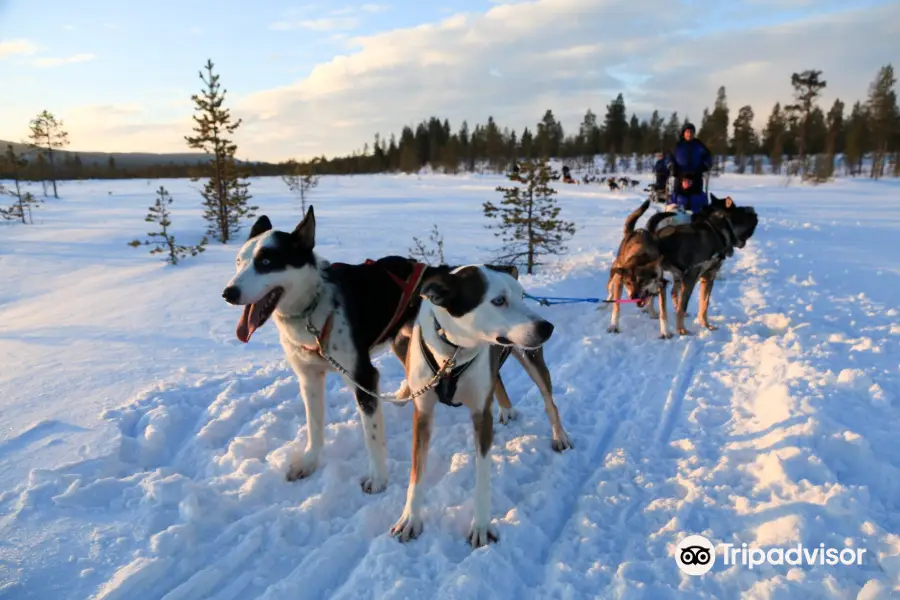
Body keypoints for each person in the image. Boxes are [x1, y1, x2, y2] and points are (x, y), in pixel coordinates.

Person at [667, 123, 712, 212]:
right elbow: (670, 158)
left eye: (691, 132)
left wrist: (705, 166)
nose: (689, 134)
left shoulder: (699, 145)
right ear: (683, 133)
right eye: (687, 132)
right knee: (678, 197)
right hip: (680, 175)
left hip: (696, 175)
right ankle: (675, 214)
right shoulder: (678, 145)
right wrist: (671, 166)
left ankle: (698, 214)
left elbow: (708, 157)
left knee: (696, 197)